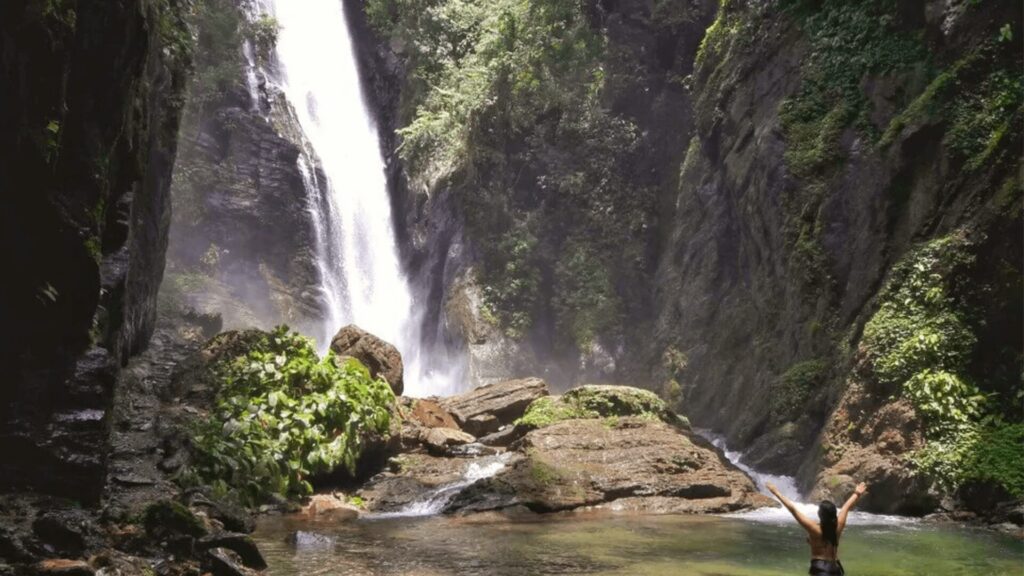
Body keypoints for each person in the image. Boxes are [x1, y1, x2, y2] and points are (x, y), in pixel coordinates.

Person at [765, 481, 868, 576]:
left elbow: (793, 510)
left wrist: (775, 492)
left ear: (820, 514)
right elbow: (846, 507)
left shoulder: (814, 529)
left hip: (820, 568)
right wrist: (857, 493)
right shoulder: (838, 526)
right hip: (835, 568)